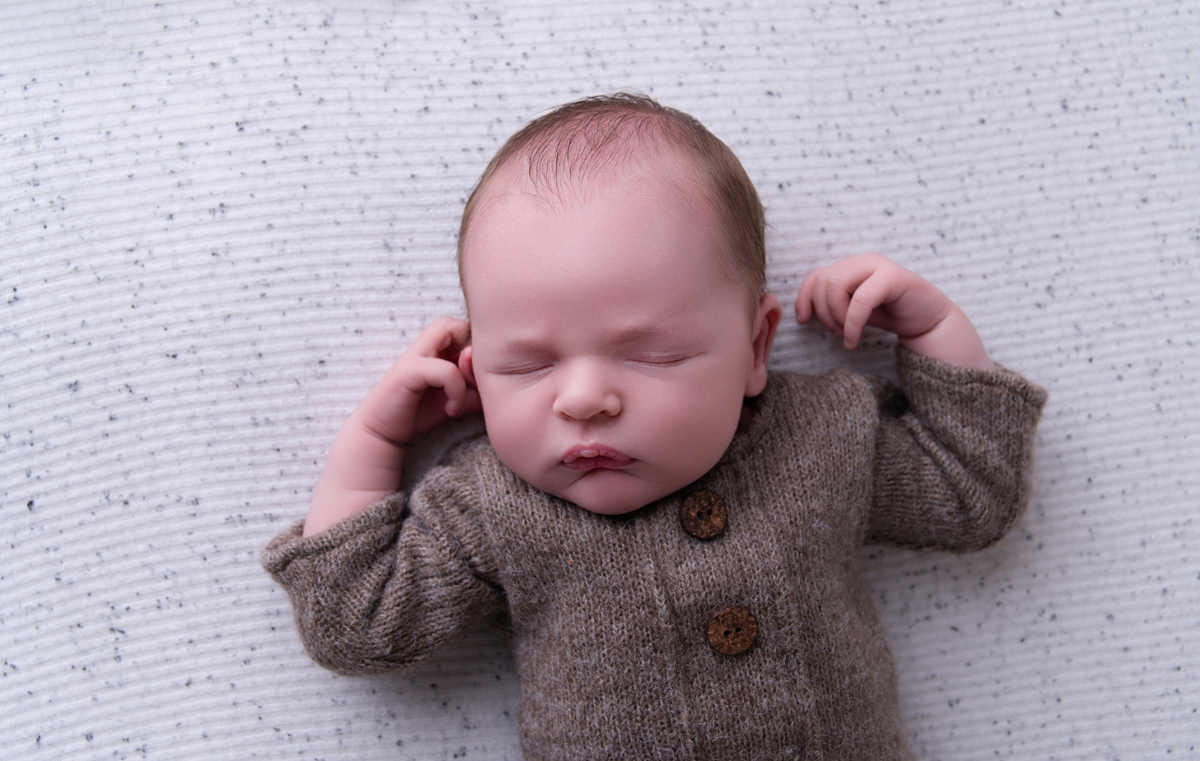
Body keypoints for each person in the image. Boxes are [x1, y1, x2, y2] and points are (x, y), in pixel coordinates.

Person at [262, 93, 1047, 759]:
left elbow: (968, 496)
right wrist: (375, 442)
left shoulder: (821, 437)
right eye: (527, 366)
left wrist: (934, 329)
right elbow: (355, 624)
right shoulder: (490, 505)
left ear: (753, 349)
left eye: (653, 355)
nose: (584, 400)